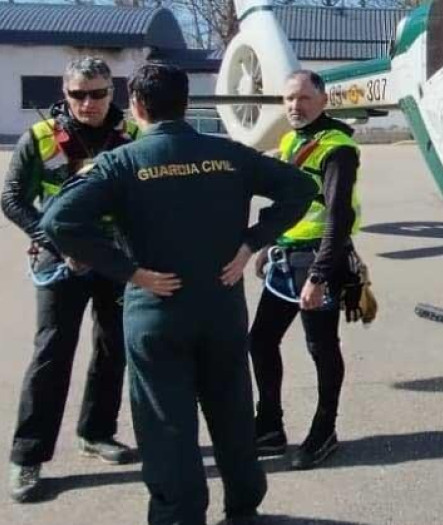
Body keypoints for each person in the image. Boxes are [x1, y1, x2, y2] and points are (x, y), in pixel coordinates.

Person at [40, 63, 316, 525]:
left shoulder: (122, 162)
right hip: (220, 307)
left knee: (167, 427)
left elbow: (58, 221)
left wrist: (128, 272)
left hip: (157, 312)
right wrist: (252, 242)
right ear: (187, 104)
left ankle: (179, 516)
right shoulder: (229, 155)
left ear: (137, 106)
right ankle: (244, 509)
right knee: (231, 412)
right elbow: (301, 187)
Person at [0, 56, 140, 502]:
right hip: (61, 263)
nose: (88, 102)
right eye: (78, 94)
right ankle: (28, 456)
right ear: (65, 94)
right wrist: (54, 242)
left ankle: (97, 432)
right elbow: (12, 200)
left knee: (113, 347)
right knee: (52, 353)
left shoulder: (134, 137)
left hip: (115, 261)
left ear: (111, 93)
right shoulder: (39, 139)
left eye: (97, 93)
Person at [249, 70, 363, 470]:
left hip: (320, 262)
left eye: (304, 99)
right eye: (289, 100)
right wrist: (268, 246)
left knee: (321, 348)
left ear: (323, 100)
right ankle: (269, 426)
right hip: (286, 260)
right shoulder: (290, 140)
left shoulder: (337, 148)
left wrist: (319, 276)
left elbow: (338, 217)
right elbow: (287, 205)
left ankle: (324, 430)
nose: (295, 107)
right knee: (261, 340)